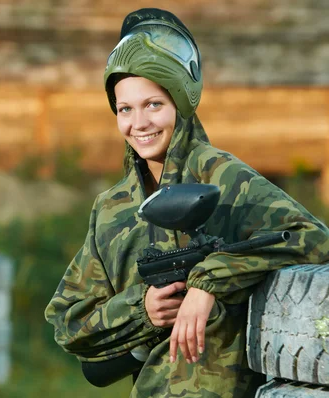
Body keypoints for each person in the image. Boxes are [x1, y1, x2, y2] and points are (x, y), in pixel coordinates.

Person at [44, 8, 329, 398]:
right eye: (125, 109)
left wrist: (208, 281)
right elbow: (67, 321)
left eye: (154, 105)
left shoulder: (221, 176)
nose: (139, 123)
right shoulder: (112, 208)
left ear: (180, 101)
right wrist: (144, 308)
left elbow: (312, 238)